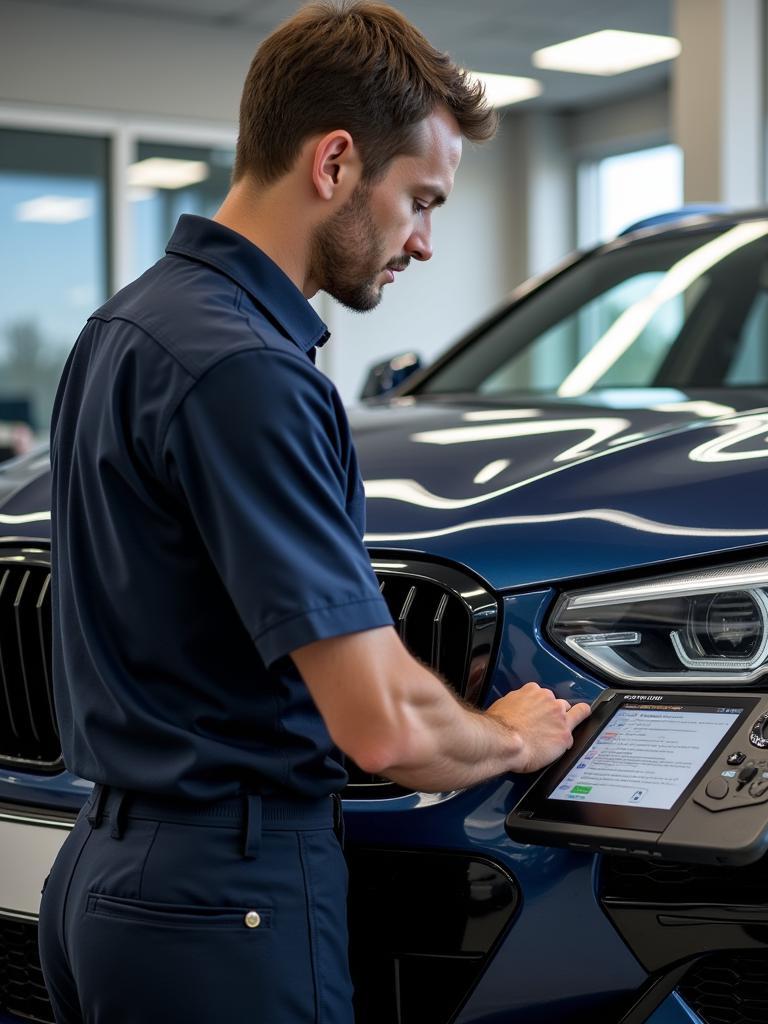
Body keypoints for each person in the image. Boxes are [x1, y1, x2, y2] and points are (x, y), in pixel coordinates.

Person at [38, 3, 591, 1022]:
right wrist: (515, 736)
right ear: (335, 162)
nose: (422, 244)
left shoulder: (126, 325)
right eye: (419, 201)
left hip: (105, 874)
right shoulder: (250, 371)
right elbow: (379, 724)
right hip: (225, 899)